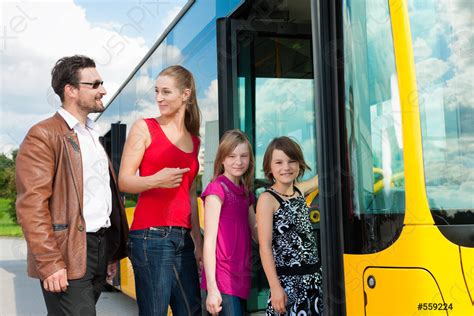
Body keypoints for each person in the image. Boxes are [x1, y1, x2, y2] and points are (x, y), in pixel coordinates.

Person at [15, 55, 129, 315]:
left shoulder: (91, 134)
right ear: (71, 90)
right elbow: (31, 205)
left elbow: (101, 197)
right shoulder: (43, 135)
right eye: (96, 83)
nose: (103, 89)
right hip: (67, 252)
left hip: (98, 249)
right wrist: (49, 262)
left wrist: (109, 252)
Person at [118, 65, 202, 315]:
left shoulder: (194, 139)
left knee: (191, 310)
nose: (159, 98)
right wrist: (156, 180)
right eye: (157, 91)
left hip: (183, 238)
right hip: (150, 237)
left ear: (185, 94)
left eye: (166, 92)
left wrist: (197, 239)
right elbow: (124, 181)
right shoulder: (144, 128)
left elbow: (190, 193)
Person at [256, 136, 323, 315]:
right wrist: (275, 287)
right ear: (269, 167)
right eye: (278, 162)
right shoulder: (267, 200)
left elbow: (322, 176)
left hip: (314, 281)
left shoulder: (300, 191)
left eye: (292, 161)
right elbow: (265, 248)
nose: (286, 167)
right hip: (287, 284)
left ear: (299, 164)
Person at [201, 129, 258, 315]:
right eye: (232, 156)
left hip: (242, 274)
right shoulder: (217, 189)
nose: (238, 162)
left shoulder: (246, 192)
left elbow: (256, 234)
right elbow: (209, 242)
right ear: (222, 159)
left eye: (244, 156)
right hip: (222, 277)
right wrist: (212, 288)